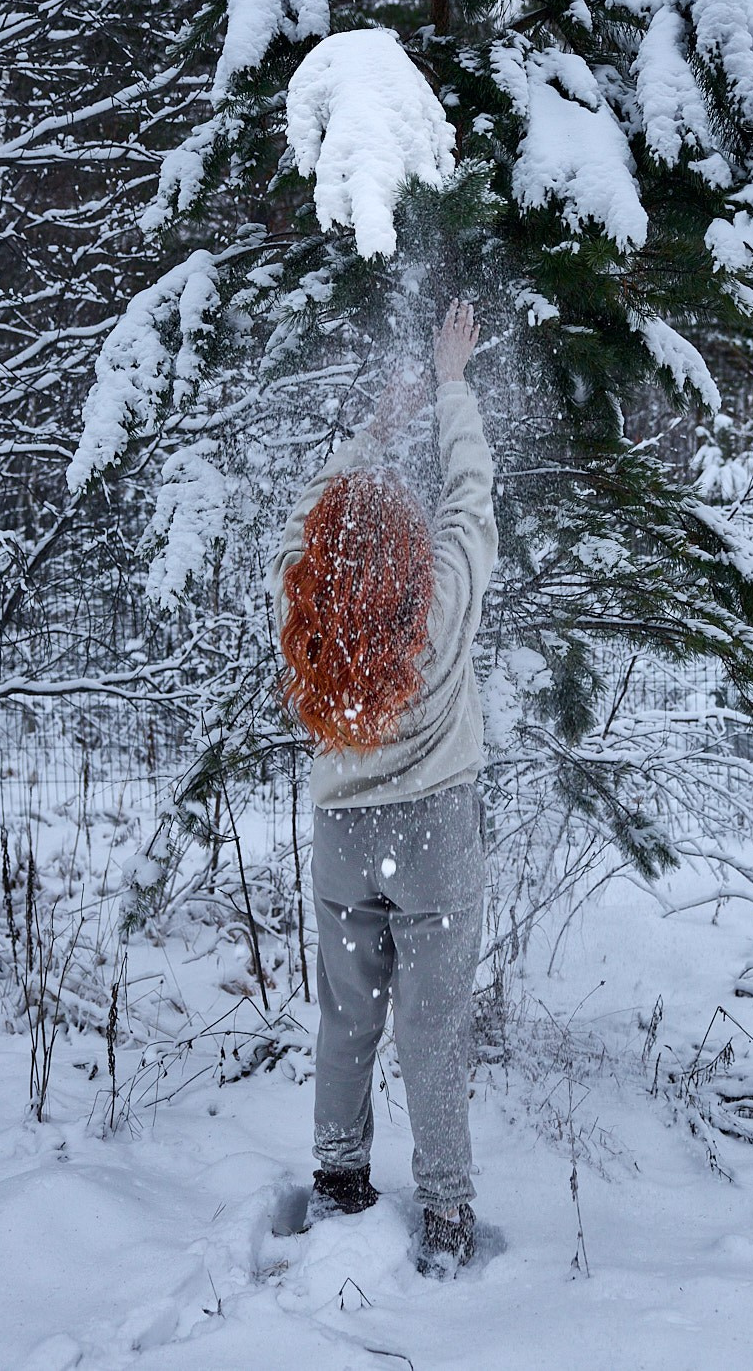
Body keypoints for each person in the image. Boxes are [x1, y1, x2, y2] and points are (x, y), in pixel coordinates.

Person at [268, 299, 498, 1278]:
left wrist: (374, 426)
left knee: (348, 1018)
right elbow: (472, 495)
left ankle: (338, 1181)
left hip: (343, 835)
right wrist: (449, 385)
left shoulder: (304, 602)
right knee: (433, 1035)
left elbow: (300, 518)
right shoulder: (439, 592)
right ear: (408, 543)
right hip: (436, 835)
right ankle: (445, 1218)